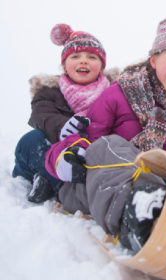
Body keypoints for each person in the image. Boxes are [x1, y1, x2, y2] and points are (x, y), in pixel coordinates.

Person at [44, 17, 166, 253]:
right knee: (110, 145)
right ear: (154, 60)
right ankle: (136, 217)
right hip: (94, 189)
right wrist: (65, 155)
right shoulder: (119, 94)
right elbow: (81, 140)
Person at [12, 23, 118, 203]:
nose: (83, 61)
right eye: (75, 56)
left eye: (92, 57)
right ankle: (48, 178)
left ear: (101, 67)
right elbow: (41, 115)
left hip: (90, 153)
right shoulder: (49, 91)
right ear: (64, 65)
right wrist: (64, 127)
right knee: (32, 140)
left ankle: (63, 184)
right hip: (55, 147)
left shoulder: (113, 92)